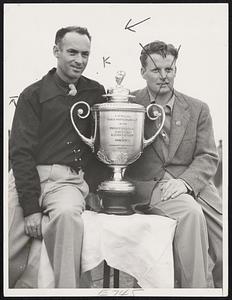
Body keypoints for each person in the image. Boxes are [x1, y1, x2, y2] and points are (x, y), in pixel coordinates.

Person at [8, 26, 106, 288]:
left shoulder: (95, 93)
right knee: (7, 250)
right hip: (26, 180)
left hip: (67, 183)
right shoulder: (33, 94)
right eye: (72, 52)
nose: (79, 60)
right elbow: (20, 153)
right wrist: (31, 210)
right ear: (56, 51)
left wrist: (95, 189)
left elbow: (98, 148)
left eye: (85, 54)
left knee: (66, 218)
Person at [125, 41, 222, 288]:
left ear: (176, 70)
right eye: (156, 70)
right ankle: (195, 291)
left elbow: (208, 156)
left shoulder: (198, 108)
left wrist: (185, 182)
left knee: (225, 237)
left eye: (169, 69)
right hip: (149, 185)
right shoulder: (128, 104)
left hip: (194, 185)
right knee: (190, 214)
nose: (164, 76)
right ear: (143, 72)